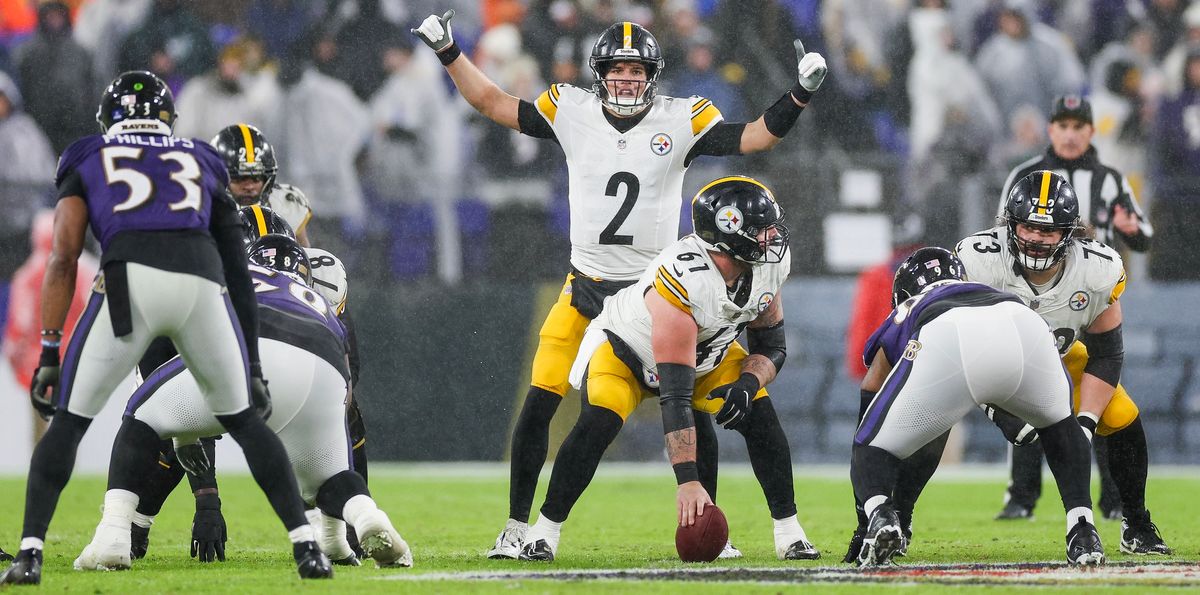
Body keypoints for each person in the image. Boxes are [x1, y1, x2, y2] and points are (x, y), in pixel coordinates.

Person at [411, 12, 827, 559]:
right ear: (599, 73)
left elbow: (755, 136)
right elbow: (493, 102)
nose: (626, 79)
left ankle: (713, 530)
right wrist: (448, 51)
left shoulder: (681, 118)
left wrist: (798, 93)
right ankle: (517, 527)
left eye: (636, 70)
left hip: (662, 292)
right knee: (541, 402)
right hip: (587, 285)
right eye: (617, 69)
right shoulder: (572, 109)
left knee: (697, 406)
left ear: (652, 75)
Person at [0, 71, 331, 585]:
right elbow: (238, 272)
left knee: (68, 424)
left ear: (108, 120)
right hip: (199, 286)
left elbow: (63, 259)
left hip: (129, 283)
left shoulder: (88, 154)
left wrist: (49, 351)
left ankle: (30, 553)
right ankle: (307, 546)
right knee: (245, 420)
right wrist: (254, 364)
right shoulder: (200, 156)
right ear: (167, 120)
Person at [518, 177, 818, 562]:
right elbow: (675, 395)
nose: (772, 236)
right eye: (761, 229)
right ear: (728, 235)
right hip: (626, 353)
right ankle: (544, 532)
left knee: (761, 418)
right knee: (599, 422)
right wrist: (687, 482)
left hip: (706, 356)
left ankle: (789, 533)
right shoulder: (683, 278)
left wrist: (748, 381)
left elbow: (772, 347)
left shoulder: (767, 267)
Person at [73, 234, 409, 570]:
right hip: (324, 366)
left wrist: (184, 435)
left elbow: (173, 338)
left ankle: (113, 535)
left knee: (140, 415)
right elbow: (347, 382)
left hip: (253, 344)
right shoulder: (318, 294)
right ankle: (366, 517)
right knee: (330, 477)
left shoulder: (226, 270)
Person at [958, 171, 1170, 555]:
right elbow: (957, 348)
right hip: (985, 361)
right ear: (1010, 225)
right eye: (1027, 226)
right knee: (927, 417)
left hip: (1058, 359)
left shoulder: (1097, 270)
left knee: (1122, 415)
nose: (1036, 238)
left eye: (1049, 230)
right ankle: (896, 516)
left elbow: (1107, 353)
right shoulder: (979, 261)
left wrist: (1084, 426)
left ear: (1069, 233)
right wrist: (996, 409)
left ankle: (1136, 524)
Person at [851, 247, 1103, 567]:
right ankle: (1082, 528)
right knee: (1060, 425)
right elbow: (985, 352)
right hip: (1026, 324)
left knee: (869, 445)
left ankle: (883, 517)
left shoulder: (908, 307)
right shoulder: (986, 289)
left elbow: (871, 390)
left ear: (903, 293)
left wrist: (867, 486)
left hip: (945, 334)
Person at [995, 95, 1152, 522]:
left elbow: (1144, 236)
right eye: (1061, 125)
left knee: (1100, 394)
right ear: (1050, 129)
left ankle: (1115, 497)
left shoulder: (1112, 179)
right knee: (1029, 394)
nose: (1069, 133)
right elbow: (1000, 238)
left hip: (1092, 303)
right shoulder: (1023, 174)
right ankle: (1022, 495)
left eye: (1077, 125)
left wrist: (1129, 231)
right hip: (1035, 299)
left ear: (1090, 131)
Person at [210, 123, 314, 246]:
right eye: (239, 179)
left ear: (268, 178)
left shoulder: (286, 204)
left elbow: (304, 258)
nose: (249, 186)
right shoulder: (201, 209)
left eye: (256, 178)